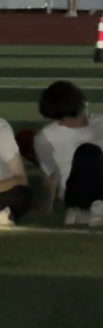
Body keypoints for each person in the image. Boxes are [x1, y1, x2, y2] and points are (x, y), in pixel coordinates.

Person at [32, 80, 103, 225]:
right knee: (87, 152)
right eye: (62, 118)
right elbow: (50, 177)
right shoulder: (45, 138)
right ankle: (88, 211)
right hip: (78, 191)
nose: (68, 122)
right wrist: (45, 210)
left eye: (75, 115)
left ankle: (89, 215)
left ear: (84, 104)